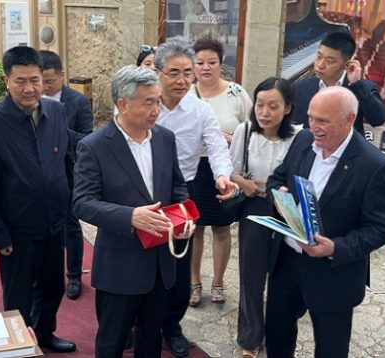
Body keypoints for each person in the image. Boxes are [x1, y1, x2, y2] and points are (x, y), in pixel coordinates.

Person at [265, 86, 385, 358]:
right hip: (287, 262)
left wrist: (335, 247)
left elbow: (380, 228)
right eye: (311, 117)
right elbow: (277, 178)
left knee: (331, 348)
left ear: (349, 119)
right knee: (277, 336)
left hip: (333, 273)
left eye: (323, 120)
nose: (313, 126)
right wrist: (278, 197)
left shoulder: (375, 166)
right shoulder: (303, 141)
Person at [73, 64, 190, 357]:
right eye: (148, 102)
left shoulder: (164, 138)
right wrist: (130, 217)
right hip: (120, 266)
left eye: (158, 101)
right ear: (123, 104)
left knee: (151, 342)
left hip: (161, 263)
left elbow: (177, 187)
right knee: (112, 343)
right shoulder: (95, 146)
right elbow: (82, 202)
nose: (156, 109)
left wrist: (184, 217)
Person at [0, 46, 76, 353]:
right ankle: (17, 346)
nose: (30, 88)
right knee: (19, 296)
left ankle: (44, 333)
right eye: (21, 81)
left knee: (53, 287)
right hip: (17, 230)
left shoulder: (55, 111)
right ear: (6, 80)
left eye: (35, 80)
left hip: (54, 222)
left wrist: (68, 201)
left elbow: (65, 161)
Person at [154, 41, 238, 357]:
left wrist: (223, 175)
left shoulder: (200, 110)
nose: (181, 79)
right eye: (173, 72)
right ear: (157, 72)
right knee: (145, 263)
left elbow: (216, 145)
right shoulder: (145, 104)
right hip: (146, 193)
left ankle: (172, 327)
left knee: (177, 267)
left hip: (182, 193)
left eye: (186, 72)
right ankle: (138, 323)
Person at [229, 77, 300, 358]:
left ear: (288, 108)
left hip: (286, 210)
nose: (264, 112)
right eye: (260, 104)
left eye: (273, 106)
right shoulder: (245, 132)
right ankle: (250, 338)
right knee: (252, 275)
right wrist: (243, 183)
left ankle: (279, 334)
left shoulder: (298, 138)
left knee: (284, 275)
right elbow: (231, 170)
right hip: (254, 208)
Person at [188, 36, 252, 307]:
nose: (205, 67)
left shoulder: (237, 94)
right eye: (200, 62)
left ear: (220, 63)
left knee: (221, 228)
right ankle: (194, 283)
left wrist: (232, 138)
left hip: (222, 168)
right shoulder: (185, 94)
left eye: (211, 62)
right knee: (194, 228)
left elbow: (252, 129)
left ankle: (217, 282)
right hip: (192, 168)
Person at [40, 50, 94, 300]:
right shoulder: (28, 99)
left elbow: (86, 140)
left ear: (62, 75)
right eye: (40, 80)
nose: (43, 86)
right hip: (36, 174)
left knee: (70, 225)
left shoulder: (78, 102)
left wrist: (59, 130)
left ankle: (73, 275)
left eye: (49, 81)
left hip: (67, 172)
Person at [292, 31, 385, 136]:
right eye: (319, 57)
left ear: (346, 64)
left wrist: (357, 83)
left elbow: (378, 119)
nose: (320, 65)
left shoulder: (360, 88)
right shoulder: (300, 88)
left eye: (329, 61)